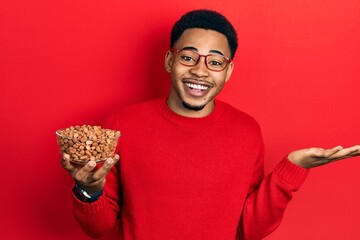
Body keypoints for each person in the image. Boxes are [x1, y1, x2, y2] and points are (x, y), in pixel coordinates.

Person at [61, 9, 360, 240]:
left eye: (215, 62)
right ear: (169, 61)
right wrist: (90, 190)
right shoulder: (120, 124)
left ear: (228, 71)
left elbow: (250, 228)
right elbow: (99, 229)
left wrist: (293, 168)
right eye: (189, 57)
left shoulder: (246, 131)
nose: (200, 71)